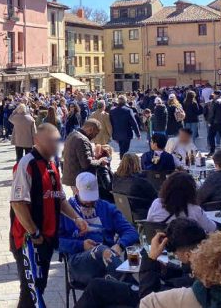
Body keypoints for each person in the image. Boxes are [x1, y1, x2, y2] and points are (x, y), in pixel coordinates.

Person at [10, 123, 89, 308]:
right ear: (37, 140)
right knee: (31, 290)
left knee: (40, 285)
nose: (55, 144)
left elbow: (59, 199)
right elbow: (17, 203)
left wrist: (76, 218)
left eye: (56, 140)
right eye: (50, 140)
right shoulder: (27, 163)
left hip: (47, 238)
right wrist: (34, 232)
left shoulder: (52, 165)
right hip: (28, 240)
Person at [75, 219, 206, 308]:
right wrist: (162, 267)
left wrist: (152, 258)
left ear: (188, 255)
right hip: (160, 290)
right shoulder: (203, 261)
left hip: (153, 299)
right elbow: (184, 274)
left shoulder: (197, 281)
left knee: (97, 290)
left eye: (176, 254)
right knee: (97, 286)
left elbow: (147, 301)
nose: (176, 256)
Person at [58, 172, 139, 286]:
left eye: (92, 197)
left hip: (109, 261)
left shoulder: (106, 207)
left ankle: (134, 288)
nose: (90, 202)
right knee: (101, 250)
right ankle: (134, 289)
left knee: (141, 251)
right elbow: (56, 242)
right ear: (76, 190)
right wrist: (81, 245)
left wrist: (120, 245)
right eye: (86, 197)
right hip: (80, 263)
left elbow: (131, 232)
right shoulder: (66, 211)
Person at [146, 172, 216, 233]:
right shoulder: (195, 210)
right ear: (191, 191)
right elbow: (212, 228)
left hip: (163, 245)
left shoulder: (156, 204)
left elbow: (150, 223)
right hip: (188, 246)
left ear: (166, 187)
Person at [62, 119, 110, 188]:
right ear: (91, 129)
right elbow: (87, 164)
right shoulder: (82, 139)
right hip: (80, 180)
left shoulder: (73, 134)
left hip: (73, 178)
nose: (95, 137)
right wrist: (100, 161)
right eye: (95, 134)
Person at [112, 153, 156, 220]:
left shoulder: (115, 178)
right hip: (141, 213)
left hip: (123, 211)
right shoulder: (140, 181)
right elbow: (155, 197)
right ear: (137, 164)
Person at [206, 90, 221, 156]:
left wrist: (209, 121)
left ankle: (212, 151)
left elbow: (212, 113)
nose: (213, 96)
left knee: (211, 136)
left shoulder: (215, 102)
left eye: (214, 95)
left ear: (216, 95)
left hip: (214, 122)